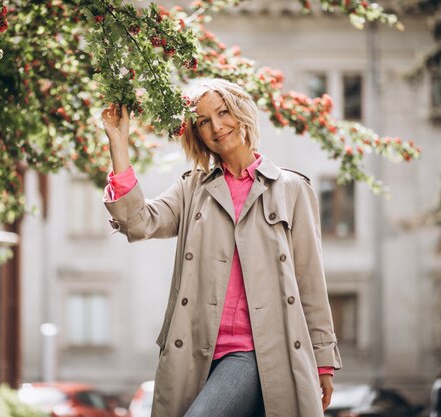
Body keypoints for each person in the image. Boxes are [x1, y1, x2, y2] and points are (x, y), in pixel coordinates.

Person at [101, 78, 342, 417]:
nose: (217, 126)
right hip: (194, 353)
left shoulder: (291, 189)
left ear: (241, 112)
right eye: (203, 121)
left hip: (256, 353)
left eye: (223, 112)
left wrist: (323, 362)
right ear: (196, 133)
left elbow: (310, 281)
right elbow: (138, 222)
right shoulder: (193, 189)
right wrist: (119, 142)